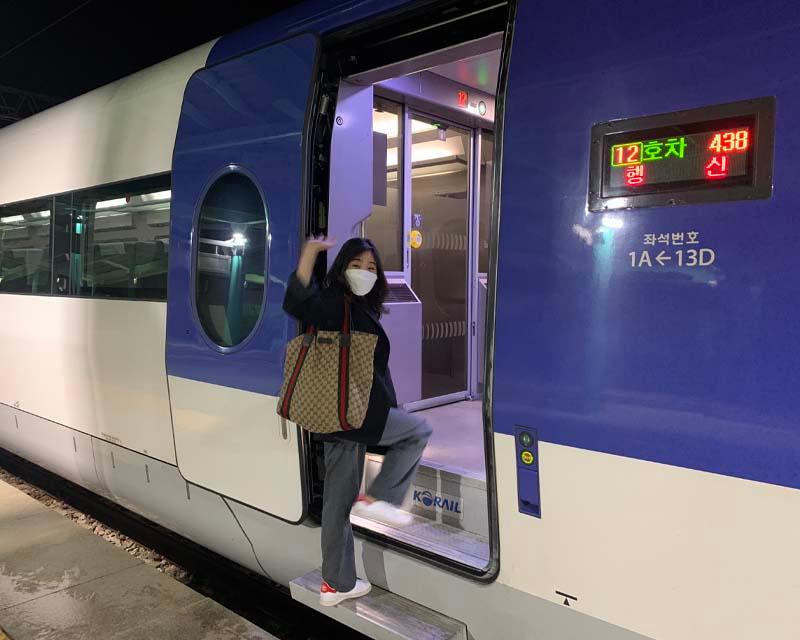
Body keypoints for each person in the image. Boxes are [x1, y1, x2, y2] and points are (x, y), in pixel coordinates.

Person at [283, 236, 432, 607]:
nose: (364, 272)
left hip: (345, 415)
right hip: (355, 416)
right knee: (416, 431)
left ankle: (336, 583)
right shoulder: (336, 302)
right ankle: (379, 499)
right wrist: (309, 253)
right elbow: (296, 301)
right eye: (357, 264)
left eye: (371, 267)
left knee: (336, 502)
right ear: (342, 267)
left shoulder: (356, 307)